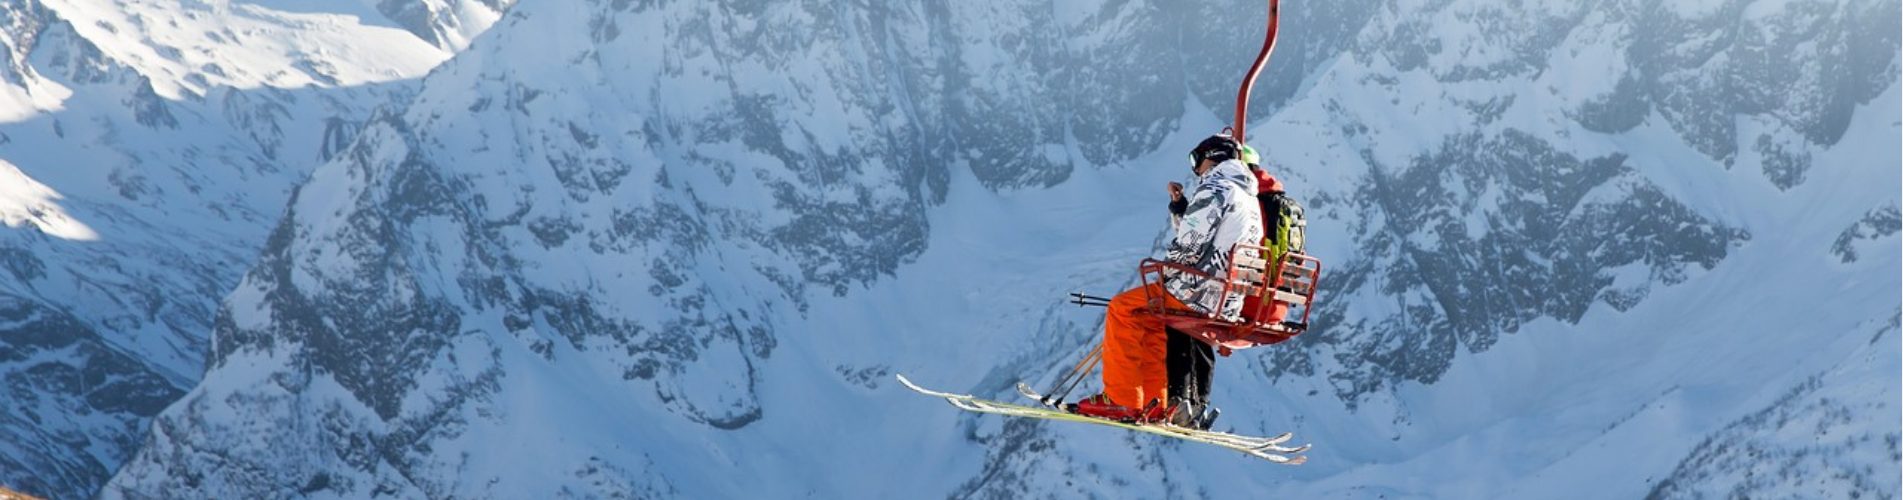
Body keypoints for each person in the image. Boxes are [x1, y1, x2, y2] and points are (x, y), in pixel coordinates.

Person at [1071, 134, 1264, 428]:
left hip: (1200, 291)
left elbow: (1189, 244)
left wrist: (1169, 269)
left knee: (1123, 309)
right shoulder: (1247, 196)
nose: (1196, 169)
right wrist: (1181, 209)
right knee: (1151, 318)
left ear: (1210, 157)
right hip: (1227, 296)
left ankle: (1121, 399)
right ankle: (1155, 403)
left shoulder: (1217, 188)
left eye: (1195, 161)